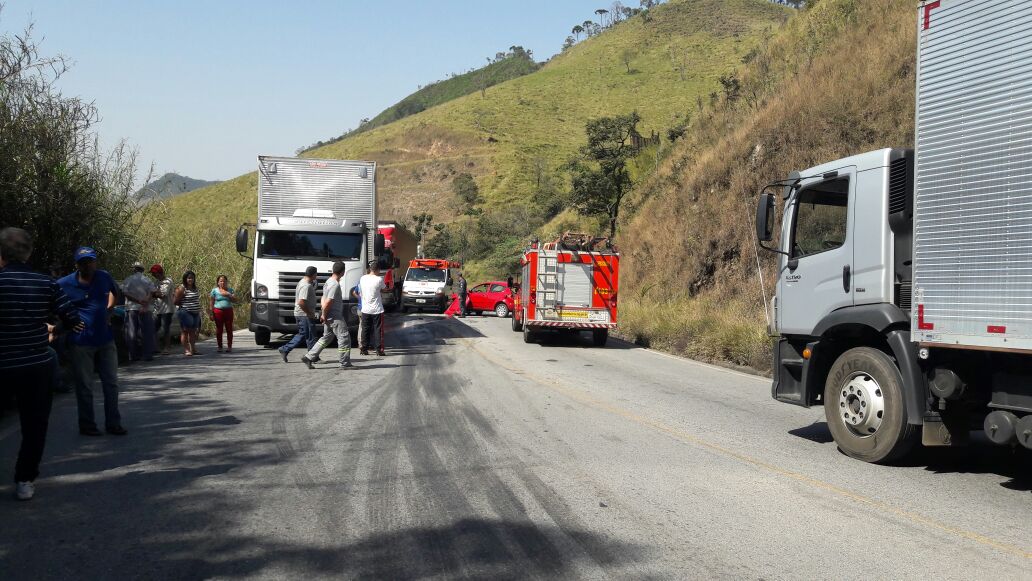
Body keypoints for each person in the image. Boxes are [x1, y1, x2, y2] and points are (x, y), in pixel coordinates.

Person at [0, 228, 83, 500]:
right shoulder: (45, 283)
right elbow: (71, 317)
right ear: (29, 252)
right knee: (34, 424)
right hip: (35, 364)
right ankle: (24, 480)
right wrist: (53, 328)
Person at [57, 246, 127, 438]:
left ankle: (114, 423)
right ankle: (87, 425)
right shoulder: (64, 283)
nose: (88, 265)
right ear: (77, 265)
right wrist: (65, 324)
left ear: (96, 262)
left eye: (91, 261)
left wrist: (110, 310)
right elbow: (51, 303)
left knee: (111, 383)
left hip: (105, 340)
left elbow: (116, 292)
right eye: (83, 262)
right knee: (85, 385)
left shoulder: (103, 276)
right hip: (80, 343)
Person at [301, 261, 352, 370]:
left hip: (329, 315)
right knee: (344, 338)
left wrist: (324, 312)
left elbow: (323, 298)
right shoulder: (334, 284)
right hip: (335, 316)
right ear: (342, 272)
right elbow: (328, 301)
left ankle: (309, 357)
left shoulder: (328, 281)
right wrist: (324, 314)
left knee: (326, 338)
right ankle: (345, 362)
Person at [279, 266, 319, 362]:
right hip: (304, 315)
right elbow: (301, 302)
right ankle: (312, 356)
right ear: (313, 275)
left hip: (302, 314)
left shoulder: (304, 282)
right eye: (316, 274)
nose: (316, 276)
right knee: (311, 336)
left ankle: (285, 349)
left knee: (303, 335)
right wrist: (309, 313)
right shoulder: (306, 285)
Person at [122, 261, 157, 362]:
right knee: (147, 332)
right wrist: (145, 302)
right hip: (146, 309)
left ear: (134, 269)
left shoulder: (128, 280)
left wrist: (137, 301)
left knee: (131, 332)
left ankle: (133, 355)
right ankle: (147, 355)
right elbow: (152, 292)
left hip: (132, 308)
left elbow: (125, 293)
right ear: (142, 270)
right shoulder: (147, 280)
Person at [359, 261, 387, 356]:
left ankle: (364, 349)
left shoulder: (362, 278)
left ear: (370, 269)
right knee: (377, 329)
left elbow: (360, 291)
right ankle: (379, 350)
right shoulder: (379, 279)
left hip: (365, 309)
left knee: (365, 329)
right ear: (378, 270)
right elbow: (384, 289)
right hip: (377, 309)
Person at [174, 271, 202, 356]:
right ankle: (187, 350)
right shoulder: (182, 288)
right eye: (189, 278)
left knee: (193, 331)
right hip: (185, 312)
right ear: (185, 279)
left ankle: (193, 349)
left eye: (192, 278)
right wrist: (185, 305)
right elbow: (175, 301)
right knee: (185, 331)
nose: (190, 279)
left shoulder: (195, 288)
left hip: (195, 313)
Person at [149, 264, 176, 355]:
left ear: (159, 273)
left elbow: (161, 295)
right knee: (153, 328)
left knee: (166, 329)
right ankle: (155, 347)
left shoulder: (167, 281)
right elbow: (153, 293)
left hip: (167, 309)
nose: (153, 275)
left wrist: (153, 293)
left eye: (154, 273)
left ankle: (167, 348)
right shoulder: (156, 282)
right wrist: (154, 293)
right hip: (157, 309)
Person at [209, 274, 237, 353]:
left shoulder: (230, 290)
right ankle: (220, 346)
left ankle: (229, 346)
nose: (222, 282)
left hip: (228, 311)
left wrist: (228, 294)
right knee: (219, 330)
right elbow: (211, 302)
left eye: (224, 281)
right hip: (218, 311)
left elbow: (235, 300)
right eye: (221, 281)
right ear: (218, 282)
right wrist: (211, 313)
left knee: (229, 329)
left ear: (227, 282)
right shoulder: (214, 291)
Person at [351, 282, 365, 352]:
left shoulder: (360, 282)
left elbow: (354, 292)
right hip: (366, 308)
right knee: (367, 326)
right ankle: (364, 343)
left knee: (361, 326)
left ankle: (360, 344)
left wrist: (359, 298)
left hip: (359, 308)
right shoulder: (369, 282)